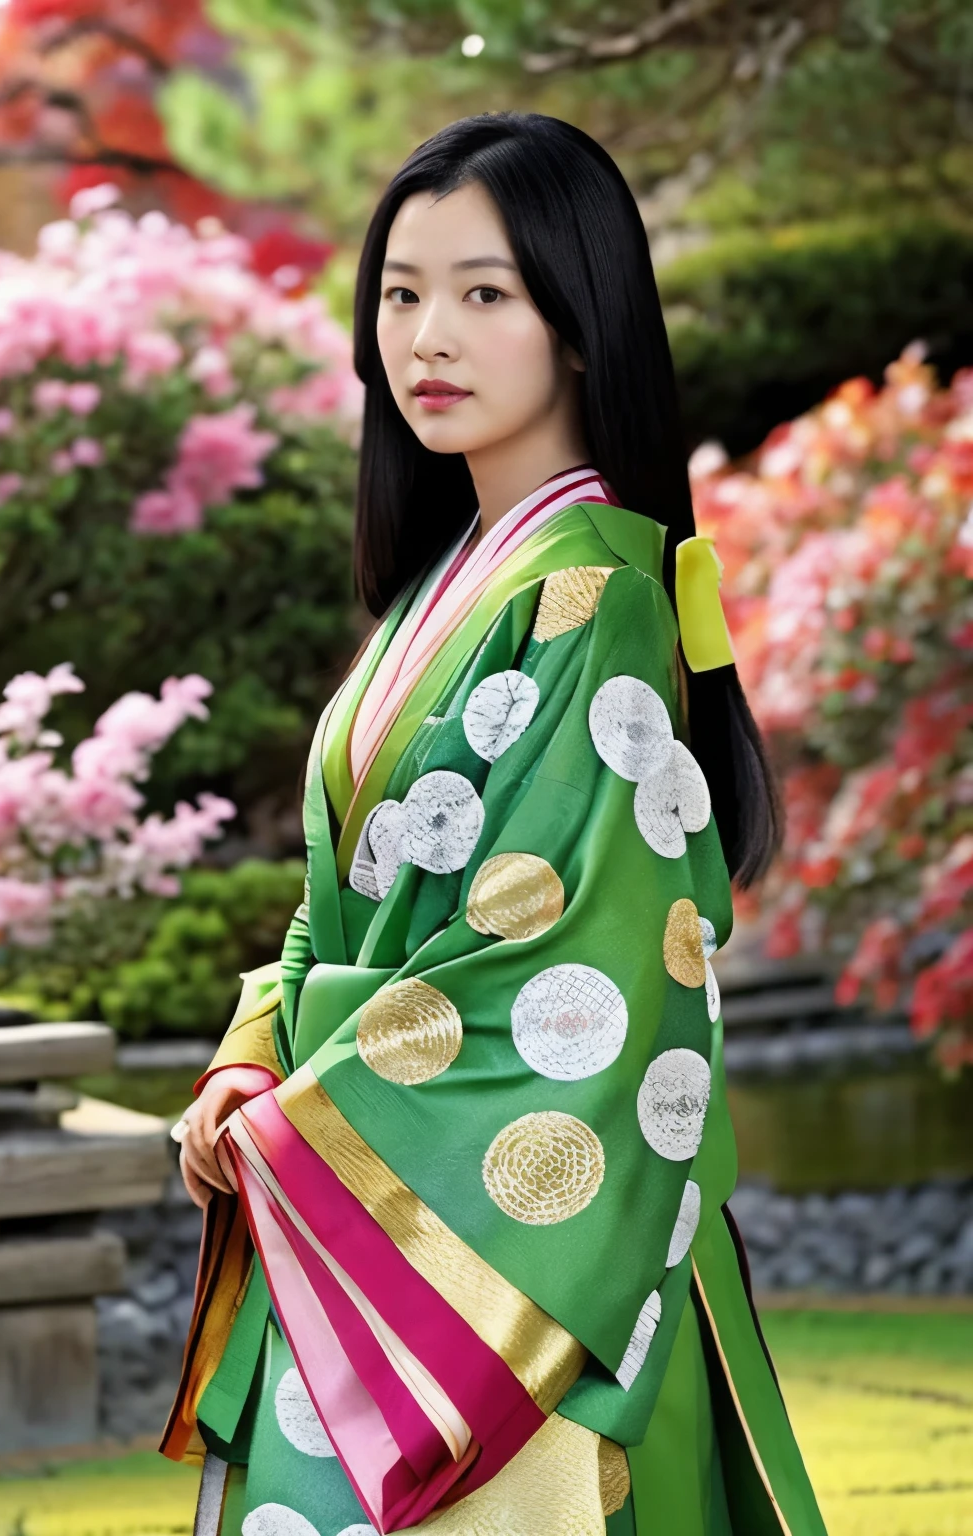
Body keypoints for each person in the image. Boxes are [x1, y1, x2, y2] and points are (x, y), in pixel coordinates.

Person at [163, 112, 827, 1536]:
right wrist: (250, 1055)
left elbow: (561, 971)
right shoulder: (448, 582)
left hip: (495, 1226)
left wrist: (297, 1117)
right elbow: (346, 894)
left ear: (579, 324)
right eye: (400, 294)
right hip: (363, 1162)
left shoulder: (598, 593)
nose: (428, 337)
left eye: (483, 292)